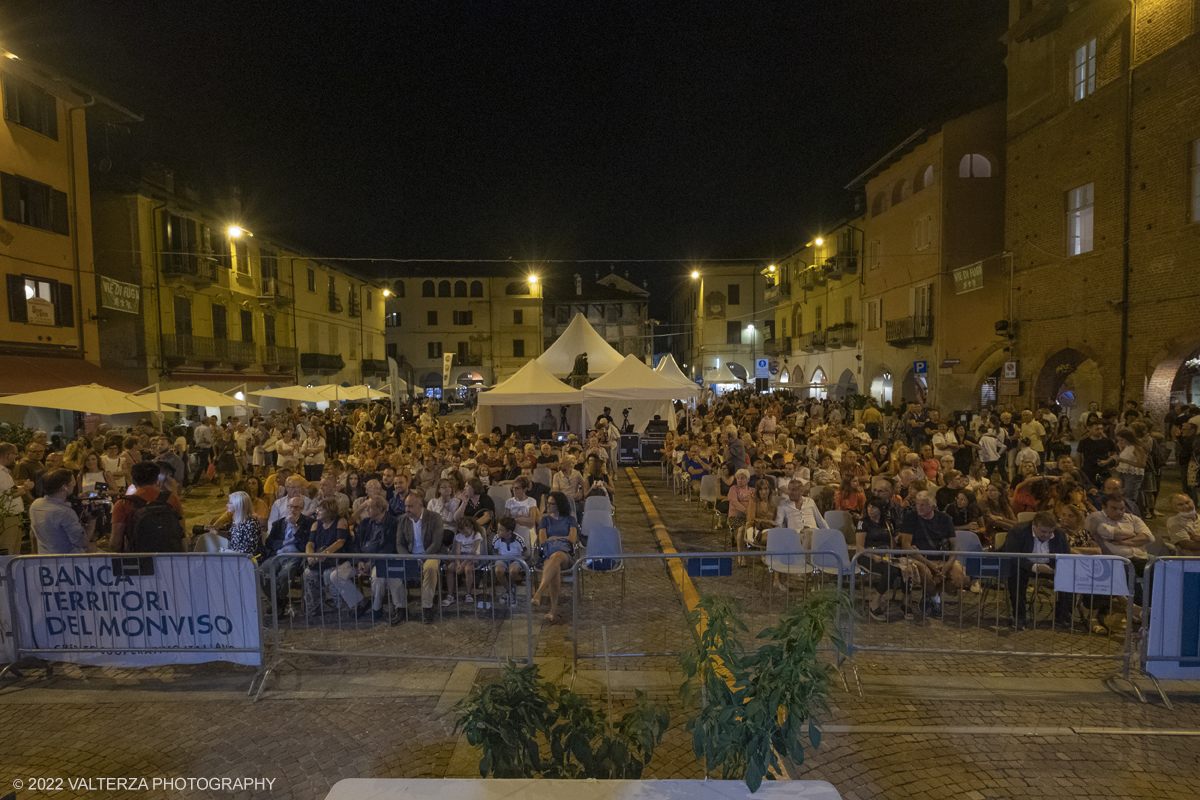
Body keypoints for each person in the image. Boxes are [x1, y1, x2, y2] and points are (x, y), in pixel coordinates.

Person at [998, 511, 1074, 629]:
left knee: (1069, 577)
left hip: (1050, 566)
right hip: (1022, 565)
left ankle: (1062, 616)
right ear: (1034, 525)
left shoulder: (1059, 533)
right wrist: (1035, 567)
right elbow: (1013, 555)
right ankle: (1019, 617)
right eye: (1043, 531)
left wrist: (1057, 569)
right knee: (1016, 575)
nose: (1047, 535)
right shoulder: (1017, 531)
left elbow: (1065, 555)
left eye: (1050, 532)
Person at [899, 490, 968, 617]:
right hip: (921, 558)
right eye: (918, 504)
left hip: (943, 558)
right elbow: (906, 545)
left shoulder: (945, 519)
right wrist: (931, 565)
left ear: (933, 506)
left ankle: (931, 593)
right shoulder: (910, 518)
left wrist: (948, 564)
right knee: (925, 573)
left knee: (961, 578)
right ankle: (935, 598)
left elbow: (954, 546)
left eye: (923, 505)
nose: (919, 507)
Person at [303, 498, 359, 620]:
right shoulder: (315, 524)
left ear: (330, 511)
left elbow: (340, 542)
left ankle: (340, 606)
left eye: (320, 510)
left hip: (339, 559)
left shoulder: (341, 521)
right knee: (308, 574)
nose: (317, 512)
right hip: (320, 560)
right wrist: (310, 555)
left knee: (329, 574)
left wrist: (325, 553)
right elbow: (310, 543)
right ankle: (315, 605)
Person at [111, 461, 185, 553]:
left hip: (139, 559)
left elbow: (116, 544)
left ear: (133, 481)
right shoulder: (171, 499)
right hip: (167, 558)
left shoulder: (123, 504)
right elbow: (182, 533)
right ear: (156, 479)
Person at [396, 493, 445, 624]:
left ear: (420, 505)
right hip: (410, 556)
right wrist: (407, 558)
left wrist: (422, 558)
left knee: (429, 568)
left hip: (430, 554)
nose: (407, 509)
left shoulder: (434, 518)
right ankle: (400, 607)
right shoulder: (402, 520)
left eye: (410, 506)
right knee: (394, 571)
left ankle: (427, 607)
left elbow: (436, 543)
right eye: (406, 506)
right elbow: (399, 544)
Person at [531, 491, 578, 623]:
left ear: (559, 505)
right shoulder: (545, 520)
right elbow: (543, 540)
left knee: (557, 557)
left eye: (552, 504)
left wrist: (556, 538)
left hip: (565, 554)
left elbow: (573, 538)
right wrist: (561, 538)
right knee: (554, 567)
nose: (549, 506)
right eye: (548, 503)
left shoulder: (570, 519)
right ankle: (553, 611)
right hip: (548, 553)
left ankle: (539, 591)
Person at [353, 497, 400, 623]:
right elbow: (357, 544)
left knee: (378, 576)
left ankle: (377, 608)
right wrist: (360, 561)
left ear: (379, 509)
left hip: (381, 561)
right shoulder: (365, 523)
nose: (367, 510)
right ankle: (361, 602)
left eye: (370, 507)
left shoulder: (393, 523)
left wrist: (371, 563)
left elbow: (389, 547)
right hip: (363, 561)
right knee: (337, 575)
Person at [263, 496, 313, 612]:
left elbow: (306, 543)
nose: (292, 509)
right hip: (278, 554)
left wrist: (295, 526)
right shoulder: (278, 524)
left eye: (296, 507)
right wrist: (284, 542)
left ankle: (278, 601)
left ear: (301, 509)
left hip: (295, 556)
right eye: (290, 506)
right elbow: (269, 542)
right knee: (262, 572)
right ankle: (278, 600)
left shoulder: (309, 523)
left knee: (284, 575)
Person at [857, 496, 903, 621]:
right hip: (866, 555)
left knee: (905, 569)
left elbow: (892, 543)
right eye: (869, 507)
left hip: (885, 556)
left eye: (874, 507)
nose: (871, 510)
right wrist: (873, 555)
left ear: (881, 509)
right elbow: (860, 547)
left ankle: (907, 603)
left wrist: (891, 556)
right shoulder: (863, 523)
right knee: (891, 571)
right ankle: (875, 601)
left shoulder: (888, 523)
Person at [29, 469, 94, 554]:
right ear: (64, 487)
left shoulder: (36, 504)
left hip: (45, 556)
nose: (74, 484)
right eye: (72, 482)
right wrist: (92, 519)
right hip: (66, 560)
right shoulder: (65, 513)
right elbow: (81, 542)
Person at [443, 517, 484, 607]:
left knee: (468, 569)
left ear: (471, 528)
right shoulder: (459, 536)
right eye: (462, 532)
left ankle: (468, 593)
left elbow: (473, 552)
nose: (464, 534)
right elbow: (457, 551)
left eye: (466, 532)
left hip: (473, 557)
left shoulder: (476, 535)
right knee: (450, 568)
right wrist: (458, 564)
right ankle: (450, 594)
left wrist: (462, 565)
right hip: (461, 557)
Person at [0, 443, 30, 555]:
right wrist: (25, 487)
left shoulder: (4, 472)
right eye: (15, 454)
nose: (16, 457)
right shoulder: (1, 473)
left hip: (11, 518)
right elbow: (10, 494)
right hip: (7, 518)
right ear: (8, 455)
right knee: (8, 551)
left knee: (13, 551)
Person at [492, 516, 526, 604]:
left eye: (501, 530)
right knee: (499, 570)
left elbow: (526, 554)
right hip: (501, 558)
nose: (498, 531)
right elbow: (494, 552)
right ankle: (510, 591)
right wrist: (499, 558)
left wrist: (517, 559)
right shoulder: (496, 538)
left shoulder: (519, 540)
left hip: (515, 559)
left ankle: (508, 592)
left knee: (513, 570)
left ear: (509, 532)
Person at [1112, 429, 1146, 506]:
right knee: (1120, 493)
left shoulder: (1137, 448)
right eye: (1119, 440)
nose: (1120, 442)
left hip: (1133, 474)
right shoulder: (1126, 446)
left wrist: (1124, 460)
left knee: (1130, 495)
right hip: (1123, 472)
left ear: (1128, 439)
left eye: (1122, 440)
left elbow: (1142, 464)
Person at [225, 491, 263, 558]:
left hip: (249, 562)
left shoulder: (251, 524)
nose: (227, 505)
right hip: (237, 559)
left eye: (230, 503)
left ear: (238, 505)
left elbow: (249, 551)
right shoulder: (236, 521)